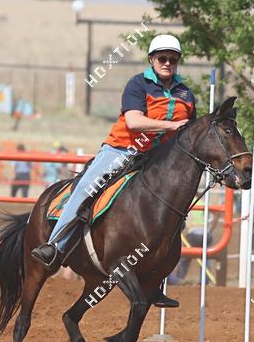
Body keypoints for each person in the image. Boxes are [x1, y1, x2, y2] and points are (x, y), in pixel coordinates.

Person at [30, 34, 195, 310]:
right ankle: (55, 246)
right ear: (152, 60)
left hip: (157, 159)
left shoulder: (186, 94)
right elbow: (133, 121)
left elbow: (190, 134)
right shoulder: (138, 84)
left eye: (173, 59)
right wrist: (171, 127)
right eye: (162, 58)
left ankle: (155, 284)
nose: (168, 62)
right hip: (122, 150)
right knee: (87, 188)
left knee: (171, 210)